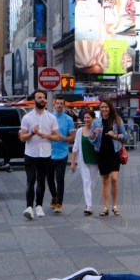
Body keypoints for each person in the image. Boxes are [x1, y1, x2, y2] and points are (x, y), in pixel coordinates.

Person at [19, 90, 60, 220]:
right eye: (39, 97)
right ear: (34, 100)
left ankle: (39, 206)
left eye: (43, 97)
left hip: (45, 154)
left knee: (42, 181)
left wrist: (45, 135)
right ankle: (29, 207)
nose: (42, 99)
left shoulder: (51, 117)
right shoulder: (27, 117)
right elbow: (22, 138)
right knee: (31, 180)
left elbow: (57, 137)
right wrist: (32, 132)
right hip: (31, 153)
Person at [89, 99, 128, 216]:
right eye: (102, 107)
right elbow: (91, 139)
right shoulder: (96, 122)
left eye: (106, 107)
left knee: (114, 179)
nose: (104, 109)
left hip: (114, 152)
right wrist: (94, 133)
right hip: (102, 153)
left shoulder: (117, 120)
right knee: (105, 180)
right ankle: (105, 207)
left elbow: (125, 137)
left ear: (110, 108)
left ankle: (115, 205)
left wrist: (115, 135)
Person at [47, 96, 76, 214]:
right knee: (49, 179)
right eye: (57, 103)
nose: (59, 105)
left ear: (64, 106)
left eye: (61, 104)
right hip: (48, 153)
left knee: (59, 179)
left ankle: (59, 203)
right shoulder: (48, 118)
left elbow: (72, 137)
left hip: (62, 153)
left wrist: (63, 138)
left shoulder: (68, 119)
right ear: (54, 105)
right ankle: (54, 196)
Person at [70, 110, 100, 216]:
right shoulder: (79, 131)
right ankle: (89, 205)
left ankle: (89, 202)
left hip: (95, 159)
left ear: (93, 119)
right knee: (86, 182)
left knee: (92, 182)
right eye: (85, 118)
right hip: (83, 160)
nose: (86, 120)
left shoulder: (97, 130)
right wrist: (73, 162)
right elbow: (76, 147)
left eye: (88, 118)